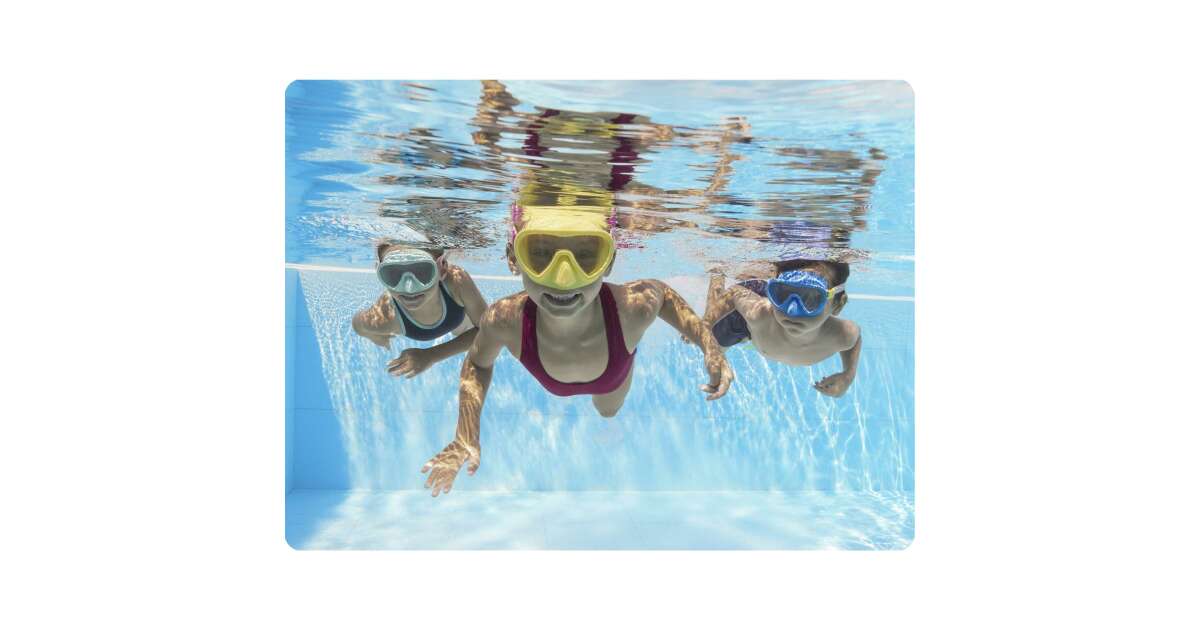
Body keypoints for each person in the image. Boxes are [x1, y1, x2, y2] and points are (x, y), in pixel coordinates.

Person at [418, 205, 734, 496]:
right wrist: (465, 433)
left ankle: (622, 377)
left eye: (586, 255)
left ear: (609, 262)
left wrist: (709, 345)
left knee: (607, 411)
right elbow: (477, 363)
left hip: (612, 376)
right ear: (513, 259)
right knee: (606, 408)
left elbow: (662, 295)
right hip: (564, 379)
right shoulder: (504, 319)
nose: (563, 278)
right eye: (540, 253)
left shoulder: (630, 309)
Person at [703, 258, 861, 398]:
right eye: (783, 293)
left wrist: (848, 375)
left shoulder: (843, 335)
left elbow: (854, 341)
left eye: (811, 298)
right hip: (750, 315)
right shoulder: (759, 314)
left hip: (761, 330)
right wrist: (706, 327)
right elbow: (734, 293)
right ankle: (717, 273)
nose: (792, 311)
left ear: (838, 305)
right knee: (713, 341)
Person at [351, 242, 488, 378]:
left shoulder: (456, 281)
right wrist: (376, 337)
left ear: (442, 269)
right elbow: (358, 325)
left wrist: (431, 355)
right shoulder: (384, 316)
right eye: (393, 273)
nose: (409, 288)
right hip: (423, 322)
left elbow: (488, 331)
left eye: (422, 272)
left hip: (458, 317)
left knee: (467, 331)